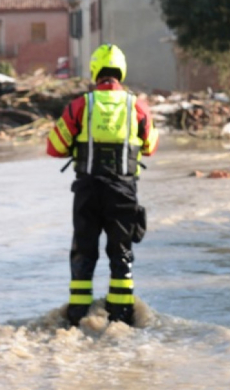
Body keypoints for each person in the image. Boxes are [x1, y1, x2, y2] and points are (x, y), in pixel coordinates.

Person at [47, 44, 159, 327]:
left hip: (87, 191)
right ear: (122, 71)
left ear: (95, 70)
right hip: (123, 191)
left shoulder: (81, 105)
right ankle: (120, 319)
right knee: (121, 253)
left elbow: (54, 147)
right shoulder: (136, 107)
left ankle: (77, 318)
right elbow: (150, 146)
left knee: (84, 251)